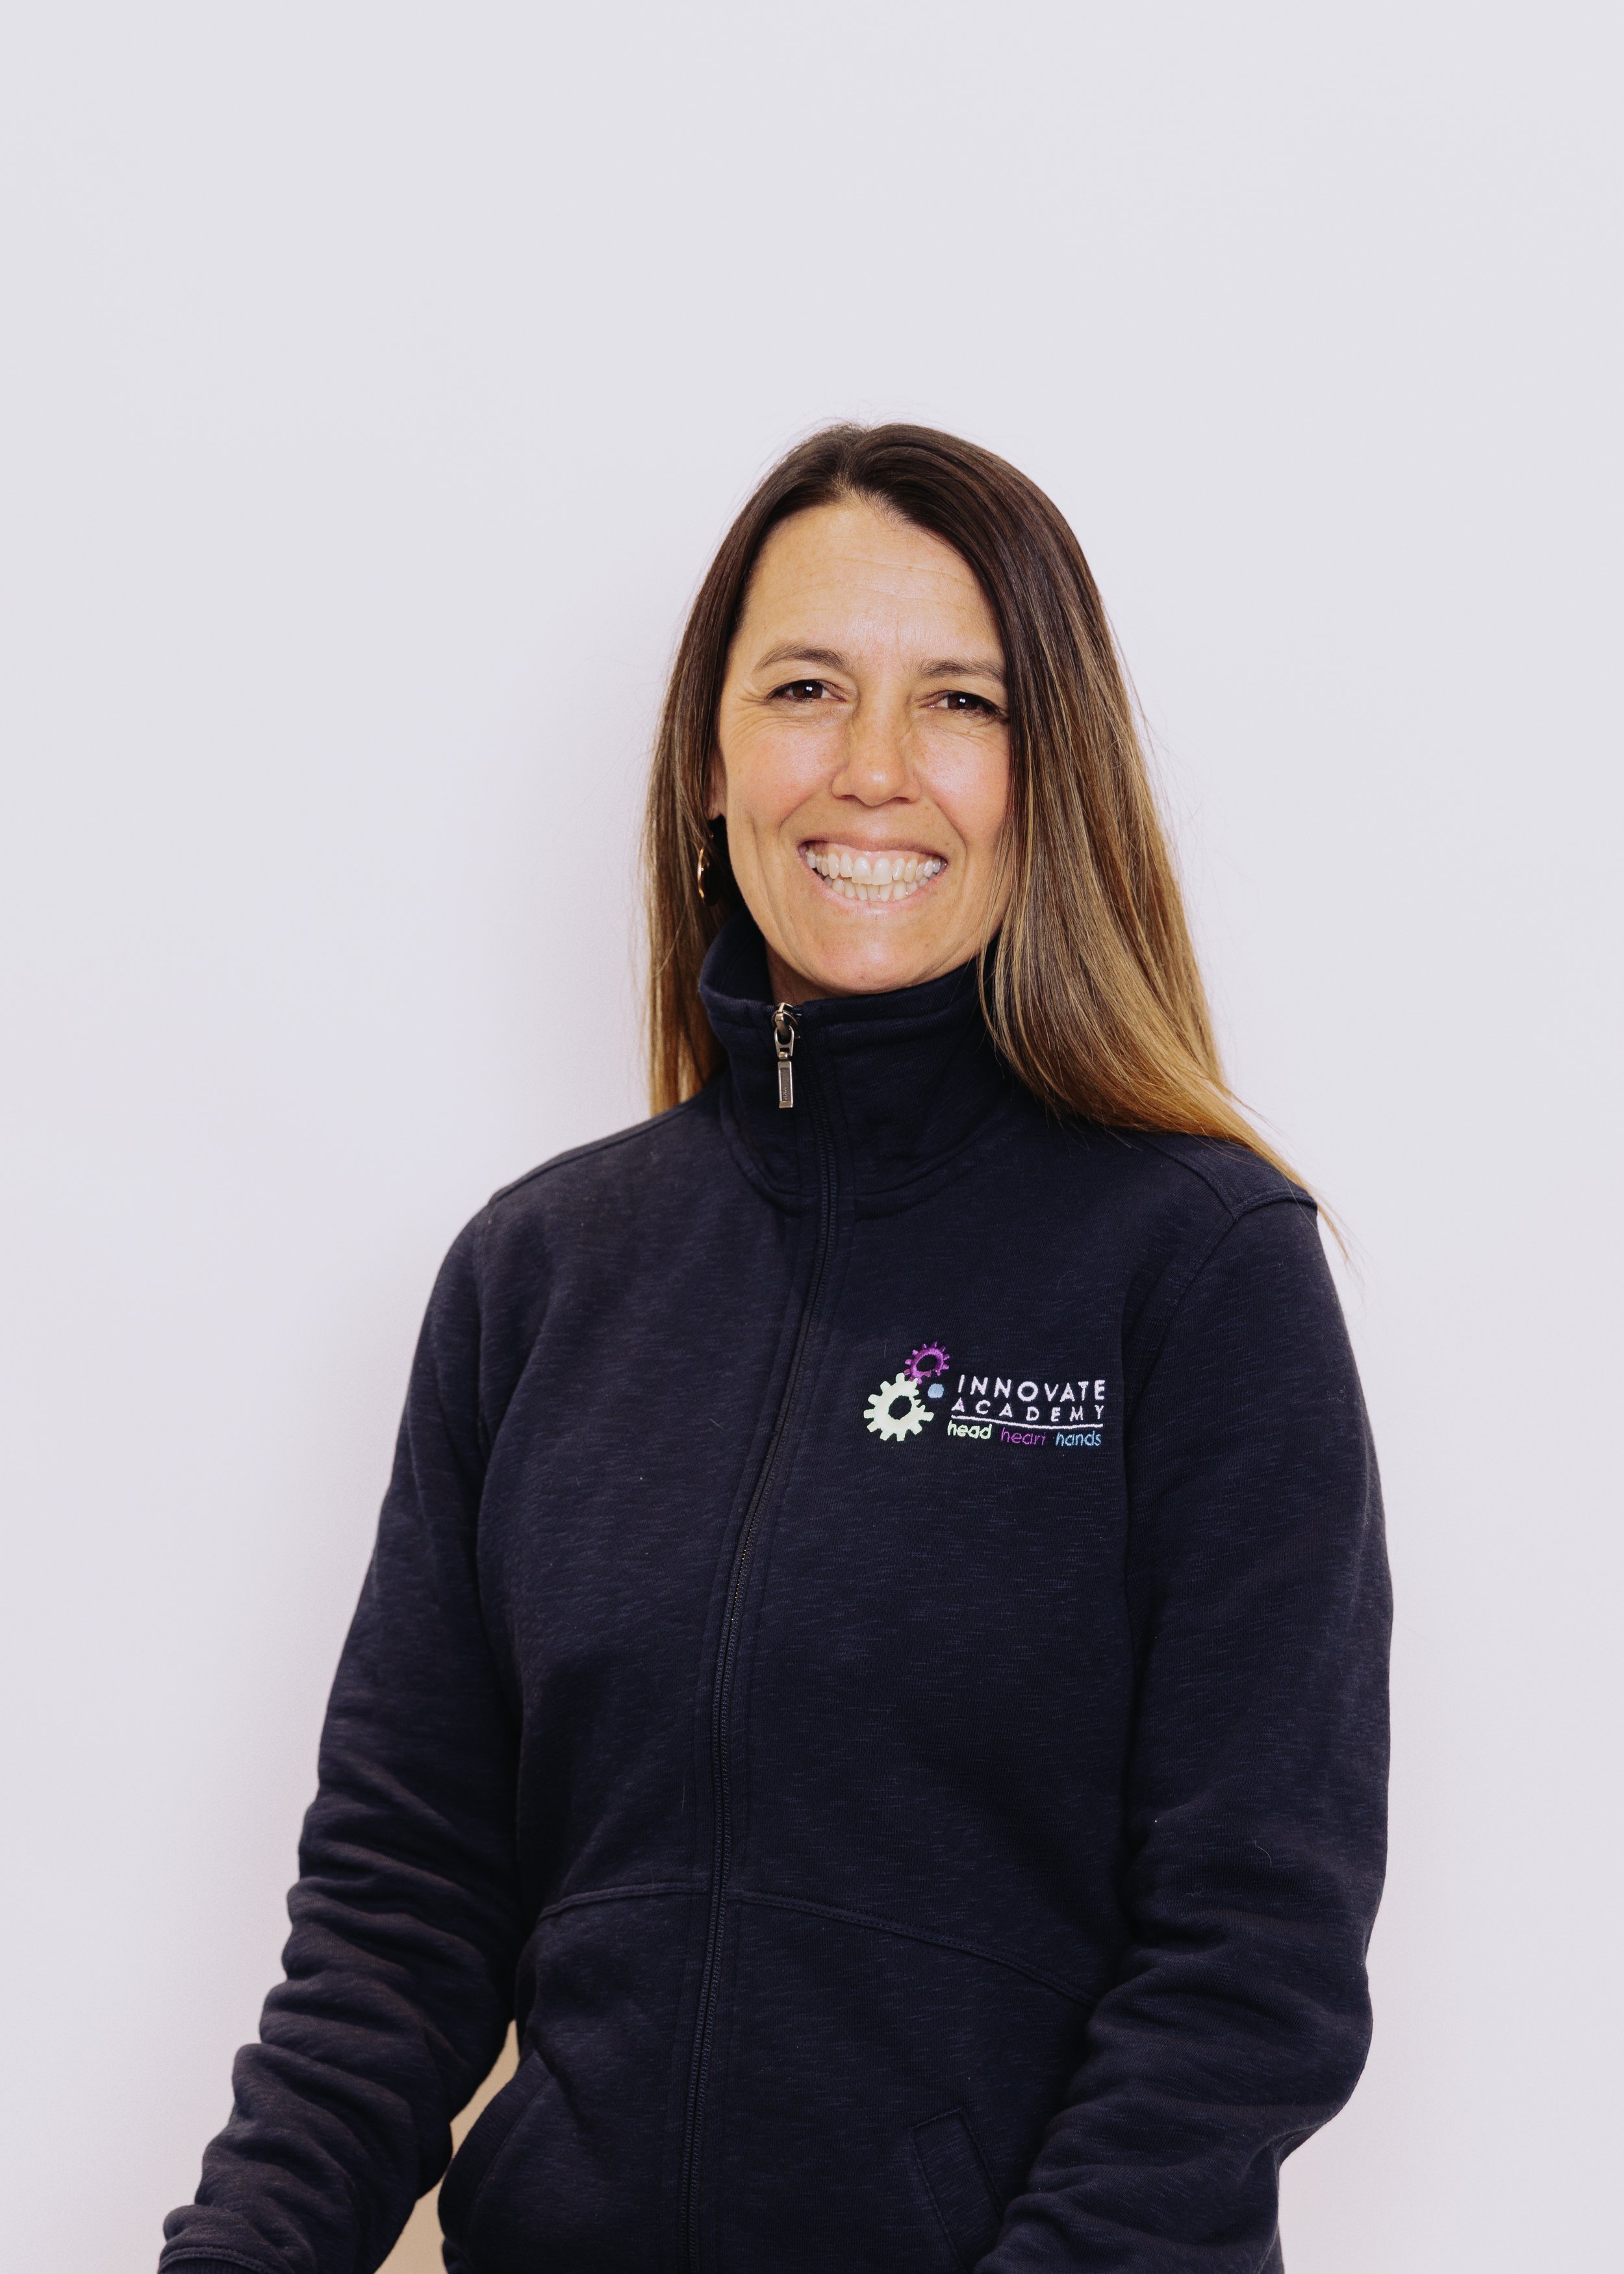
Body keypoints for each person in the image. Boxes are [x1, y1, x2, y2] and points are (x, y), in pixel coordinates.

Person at [160, 424, 1390, 2274]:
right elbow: (395, 1915)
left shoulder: (1198, 1269)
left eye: (958, 700)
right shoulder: (540, 1274)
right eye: (807, 686)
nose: (874, 768)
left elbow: (1247, 1967)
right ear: (708, 762)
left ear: (1043, 772)